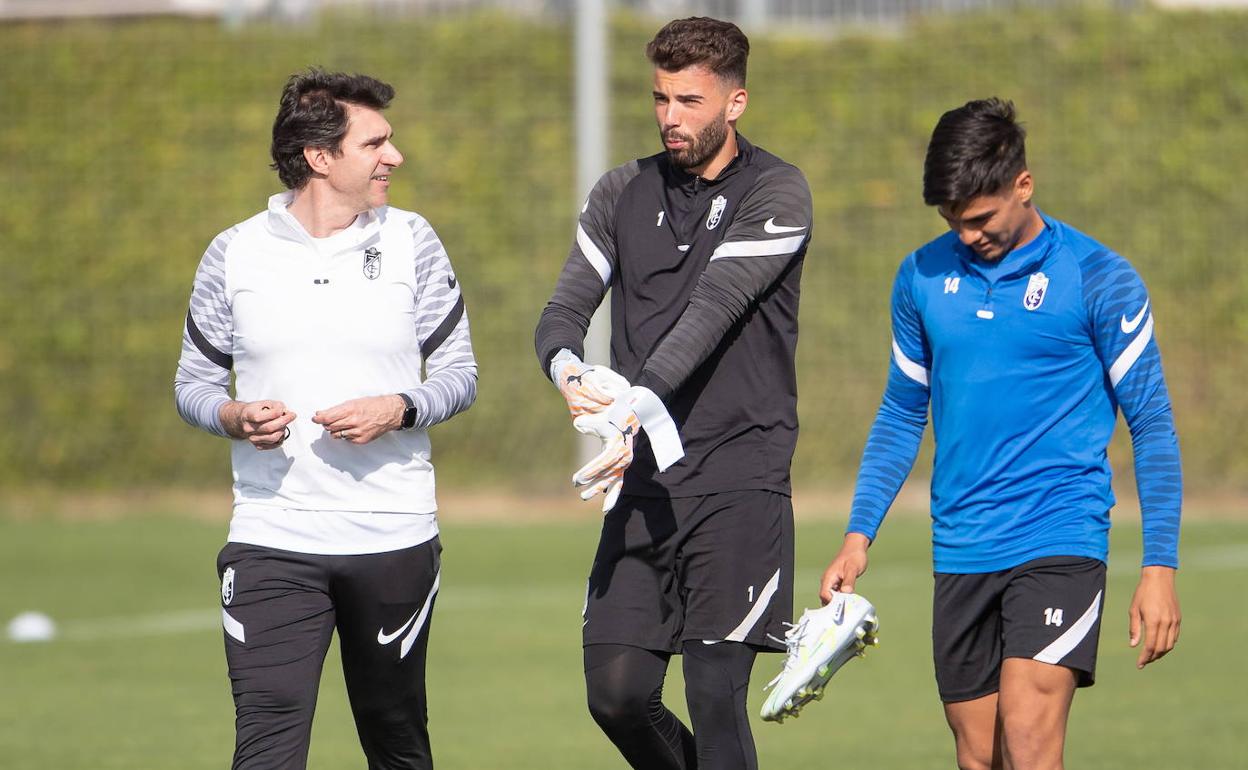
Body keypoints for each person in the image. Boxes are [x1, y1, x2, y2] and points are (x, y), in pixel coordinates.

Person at [819, 98, 1182, 770]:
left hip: (1059, 535)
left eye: (980, 219)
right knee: (980, 757)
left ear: (1024, 184)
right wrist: (857, 536)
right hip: (961, 543)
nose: (967, 234)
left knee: (1029, 738)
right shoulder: (921, 277)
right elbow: (903, 412)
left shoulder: (1099, 278)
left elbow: (1152, 424)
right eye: (952, 221)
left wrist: (1159, 566)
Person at [174, 69, 477, 770]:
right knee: (267, 743)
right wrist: (232, 414)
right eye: (376, 143)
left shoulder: (413, 241)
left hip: (393, 534)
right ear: (320, 157)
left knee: (396, 738)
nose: (393, 157)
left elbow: (460, 376)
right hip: (270, 536)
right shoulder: (234, 252)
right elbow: (193, 383)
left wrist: (399, 407)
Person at [535, 17, 812, 770]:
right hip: (646, 487)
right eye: (660, 98)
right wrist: (571, 372)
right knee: (617, 694)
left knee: (715, 696)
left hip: (739, 483)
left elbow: (712, 311)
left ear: (736, 101)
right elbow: (562, 313)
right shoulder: (621, 189)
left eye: (689, 100)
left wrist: (632, 404)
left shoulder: (778, 191)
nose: (670, 117)